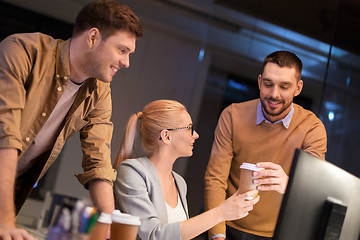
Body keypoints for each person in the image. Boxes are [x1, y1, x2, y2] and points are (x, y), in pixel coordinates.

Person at [0, 0, 143, 239]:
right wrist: (4, 219)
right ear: (93, 37)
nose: (126, 62)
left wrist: (108, 228)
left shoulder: (99, 92)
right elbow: (5, 134)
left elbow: (98, 161)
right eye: (122, 50)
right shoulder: (23, 50)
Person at [204, 51, 327, 240]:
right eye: (268, 84)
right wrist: (217, 236)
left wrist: (289, 183)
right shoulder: (232, 115)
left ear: (298, 88)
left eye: (284, 87)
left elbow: (314, 189)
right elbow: (215, 179)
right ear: (260, 82)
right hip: (226, 224)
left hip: (276, 234)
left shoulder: (312, 128)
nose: (274, 94)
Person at [113, 99, 260, 240]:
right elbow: (153, 236)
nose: (195, 135)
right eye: (190, 128)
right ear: (166, 136)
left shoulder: (179, 182)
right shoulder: (131, 172)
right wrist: (221, 213)